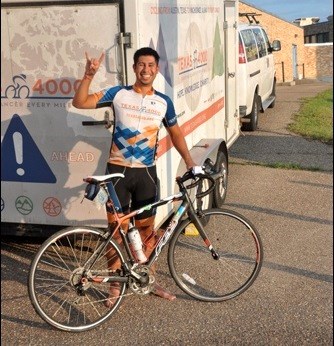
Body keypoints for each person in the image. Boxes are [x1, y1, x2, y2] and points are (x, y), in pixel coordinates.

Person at [72, 47, 197, 307]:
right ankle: (115, 284)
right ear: (134, 67)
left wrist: (190, 162)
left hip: (146, 176)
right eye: (141, 64)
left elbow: (176, 134)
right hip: (116, 174)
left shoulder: (163, 101)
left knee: (146, 232)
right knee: (116, 232)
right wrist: (88, 75)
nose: (146, 70)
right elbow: (80, 102)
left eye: (151, 65)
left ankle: (147, 278)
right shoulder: (118, 94)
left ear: (157, 69)